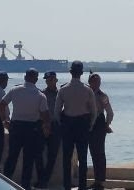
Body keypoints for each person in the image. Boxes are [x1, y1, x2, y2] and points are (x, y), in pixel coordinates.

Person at [0, 68, 50, 189]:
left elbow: (1, 104)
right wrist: (46, 126)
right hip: (32, 129)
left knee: (12, 156)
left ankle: (5, 183)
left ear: (25, 77)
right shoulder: (40, 95)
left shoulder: (15, 90)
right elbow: (45, 115)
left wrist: (5, 120)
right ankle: (25, 185)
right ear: (36, 79)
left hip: (16, 127)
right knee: (29, 159)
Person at [54, 61, 97, 190]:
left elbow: (56, 112)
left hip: (67, 124)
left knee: (66, 158)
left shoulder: (63, 89)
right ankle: (82, 186)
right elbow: (94, 111)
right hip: (83, 124)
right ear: (82, 73)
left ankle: (67, 186)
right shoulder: (87, 90)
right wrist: (90, 125)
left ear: (71, 72)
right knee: (83, 158)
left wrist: (61, 124)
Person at [34, 71, 61, 189]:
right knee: (38, 153)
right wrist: (45, 125)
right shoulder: (41, 94)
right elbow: (38, 110)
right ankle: (41, 179)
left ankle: (44, 180)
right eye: (47, 80)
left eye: (51, 79)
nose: (49, 81)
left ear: (56, 80)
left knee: (52, 155)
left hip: (56, 126)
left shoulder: (61, 93)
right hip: (42, 125)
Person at [87, 72, 114, 190]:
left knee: (99, 153)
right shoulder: (85, 94)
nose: (96, 83)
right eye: (94, 81)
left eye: (98, 81)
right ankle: (95, 180)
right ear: (89, 82)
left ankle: (100, 181)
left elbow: (110, 112)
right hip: (86, 122)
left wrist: (107, 125)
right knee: (91, 153)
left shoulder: (102, 96)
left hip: (98, 123)